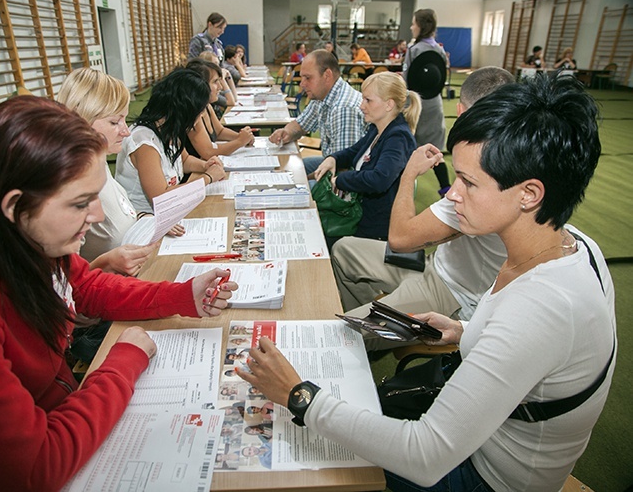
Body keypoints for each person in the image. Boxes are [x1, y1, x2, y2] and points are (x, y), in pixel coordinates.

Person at [237, 74, 616, 492]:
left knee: (317, 463)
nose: (452, 194)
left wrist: (299, 396)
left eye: (469, 183)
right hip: (483, 440)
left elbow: (425, 455)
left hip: (489, 476)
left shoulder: (541, 307)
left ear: (529, 194)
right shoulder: (575, 246)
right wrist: (466, 331)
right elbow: (543, 357)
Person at [0, 95, 238, 491]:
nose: (98, 216)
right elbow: (34, 467)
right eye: (80, 203)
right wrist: (122, 363)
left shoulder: (33, 246)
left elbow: (88, 286)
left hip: (68, 405)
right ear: (15, 207)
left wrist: (184, 296)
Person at [332, 67, 514, 335]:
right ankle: (376, 330)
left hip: (452, 292)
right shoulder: (500, 157)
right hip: (435, 265)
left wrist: (409, 174)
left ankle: (369, 333)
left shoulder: (490, 174)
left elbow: (400, 238)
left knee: (342, 332)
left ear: (461, 111)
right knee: (343, 249)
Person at [57, 68, 181, 275]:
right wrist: (105, 264)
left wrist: (147, 220)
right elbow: (64, 284)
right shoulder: (66, 181)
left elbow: (121, 212)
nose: (125, 131)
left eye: (124, 120)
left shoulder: (99, 159)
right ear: (81, 121)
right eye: (114, 122)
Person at [313, 72, 420, 243]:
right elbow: (353, 152)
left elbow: (379, 179)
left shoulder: (398, 138)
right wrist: (333, 159)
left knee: (317, 237)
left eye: (368, 100)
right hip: (359, 216)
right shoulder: (377, 129)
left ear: (388, 105)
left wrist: (341, 179)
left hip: (373, 229)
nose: (362, 106)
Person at [115, 68, 225, 213]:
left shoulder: (169, 127)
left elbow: (184, 161)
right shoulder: (144, 143)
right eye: (199, 113)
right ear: (184, 112)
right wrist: (208, 177)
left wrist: (205, 165)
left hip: (168, 215)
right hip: (144, 221)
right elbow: (161, 199)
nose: (199, 119)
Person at [268, 50, 366, 176]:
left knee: (294, 175)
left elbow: (342, 170)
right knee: (296, 167)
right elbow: (301, 124)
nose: (302, 84)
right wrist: (286, 132)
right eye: (302, 77)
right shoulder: (322, 95)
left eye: (308, 78)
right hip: (331, 162)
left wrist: (305, 180)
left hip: (344, 180)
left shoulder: (344, 109)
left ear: (327, 75)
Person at [403, 9, 451, 197]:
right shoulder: (439, 50)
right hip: (435, 105)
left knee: (406, 149)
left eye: (413, 23)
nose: (411, 27)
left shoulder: (414, 50)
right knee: (435, 151)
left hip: (414, 105)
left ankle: (402, 190)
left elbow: (407, 81)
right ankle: (446, 189)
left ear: (421, 26)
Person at [185, 59, 255, 160]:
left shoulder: (207, 106)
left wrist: (242, 137)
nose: (220, 87)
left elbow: (220, 132)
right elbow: (208, 152)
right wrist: (240, 141)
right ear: (200, 84)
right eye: (215, 82)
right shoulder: (193, 113)